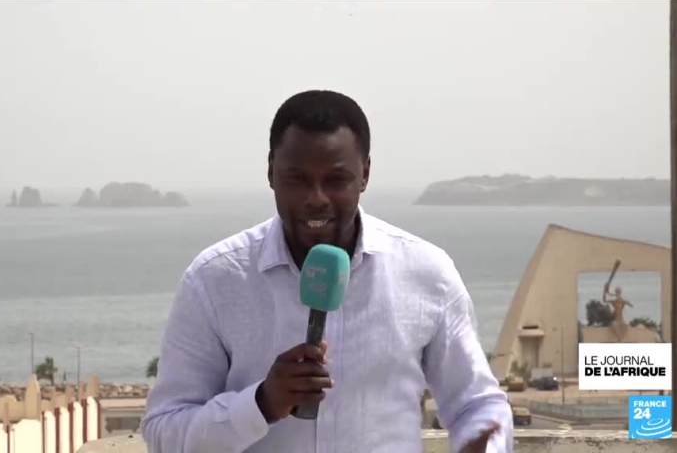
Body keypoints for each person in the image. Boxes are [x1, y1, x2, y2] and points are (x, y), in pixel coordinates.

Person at [142, 90, 513, 453]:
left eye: (335, 180)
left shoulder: (427, 273)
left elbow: (476, 404)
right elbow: (164, 432)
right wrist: (261, 403)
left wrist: (485, 444)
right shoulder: (215, 279)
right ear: (270, 172)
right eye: (297, 179)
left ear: (364, 174)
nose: (315, 198)